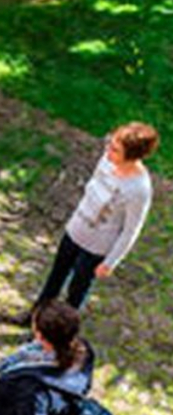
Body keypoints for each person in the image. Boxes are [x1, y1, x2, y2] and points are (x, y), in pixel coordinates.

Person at [28, 122, 158, 315]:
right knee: (55, 277)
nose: (108, 151)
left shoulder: (139, 189)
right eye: (110, 143)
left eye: (115, 149)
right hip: (76, 229)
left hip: (97, 247)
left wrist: (110, 262)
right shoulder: (107, 159)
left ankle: (62, 332)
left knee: (76, 291)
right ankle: (35, 315)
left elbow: (131, 229)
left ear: (131, 156)